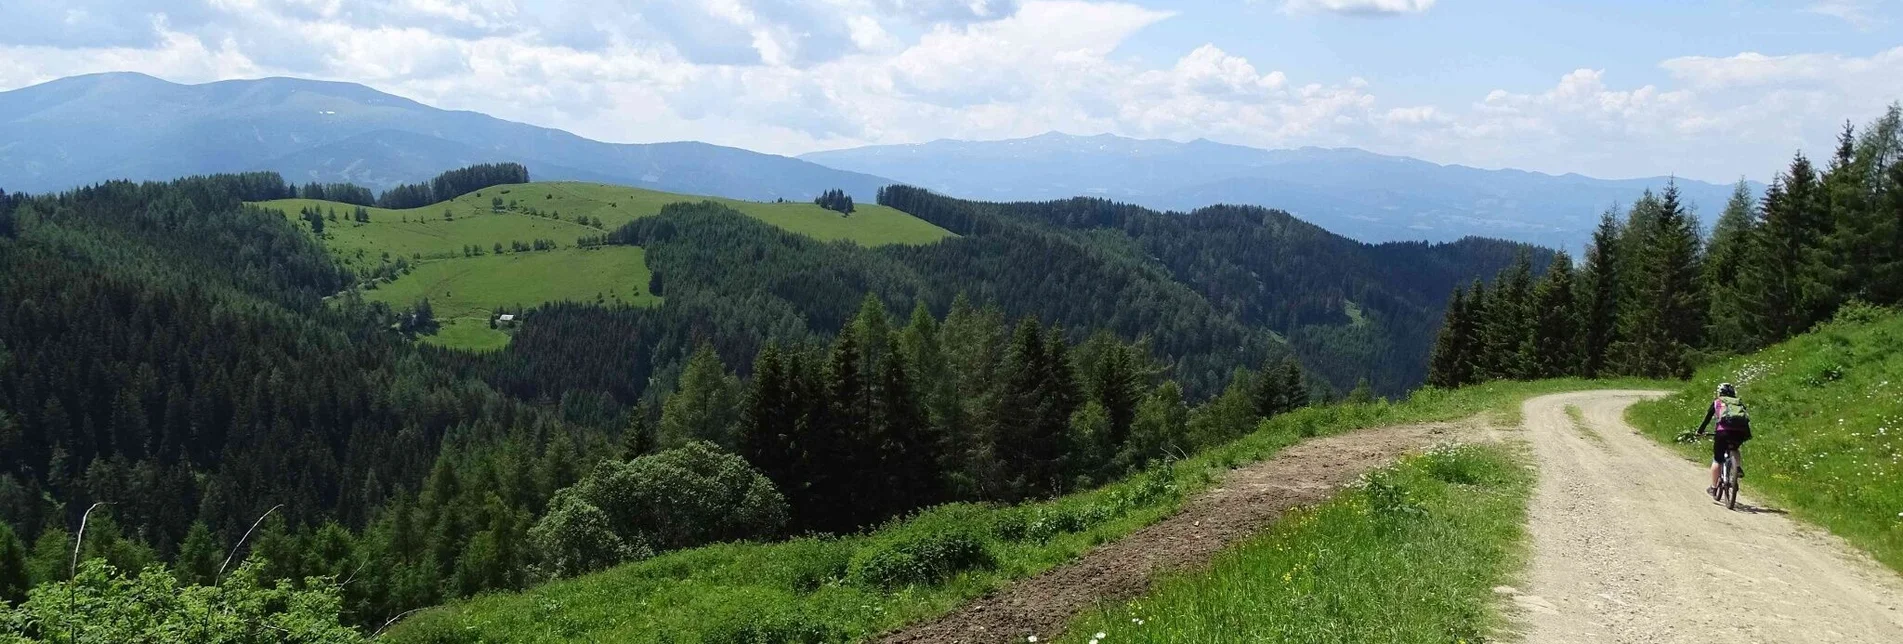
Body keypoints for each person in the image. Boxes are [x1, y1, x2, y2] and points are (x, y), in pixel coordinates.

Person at [1695, 382, 1751, 500]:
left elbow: (1707, 419)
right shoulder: (1738, 403)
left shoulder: (1717, 402)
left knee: (1717, 459)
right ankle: (1737, 468)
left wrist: (1699, 432)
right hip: (1740, 432)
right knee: (1734, 448)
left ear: (1720, 392)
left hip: (1722, 432)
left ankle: (1714, 487)